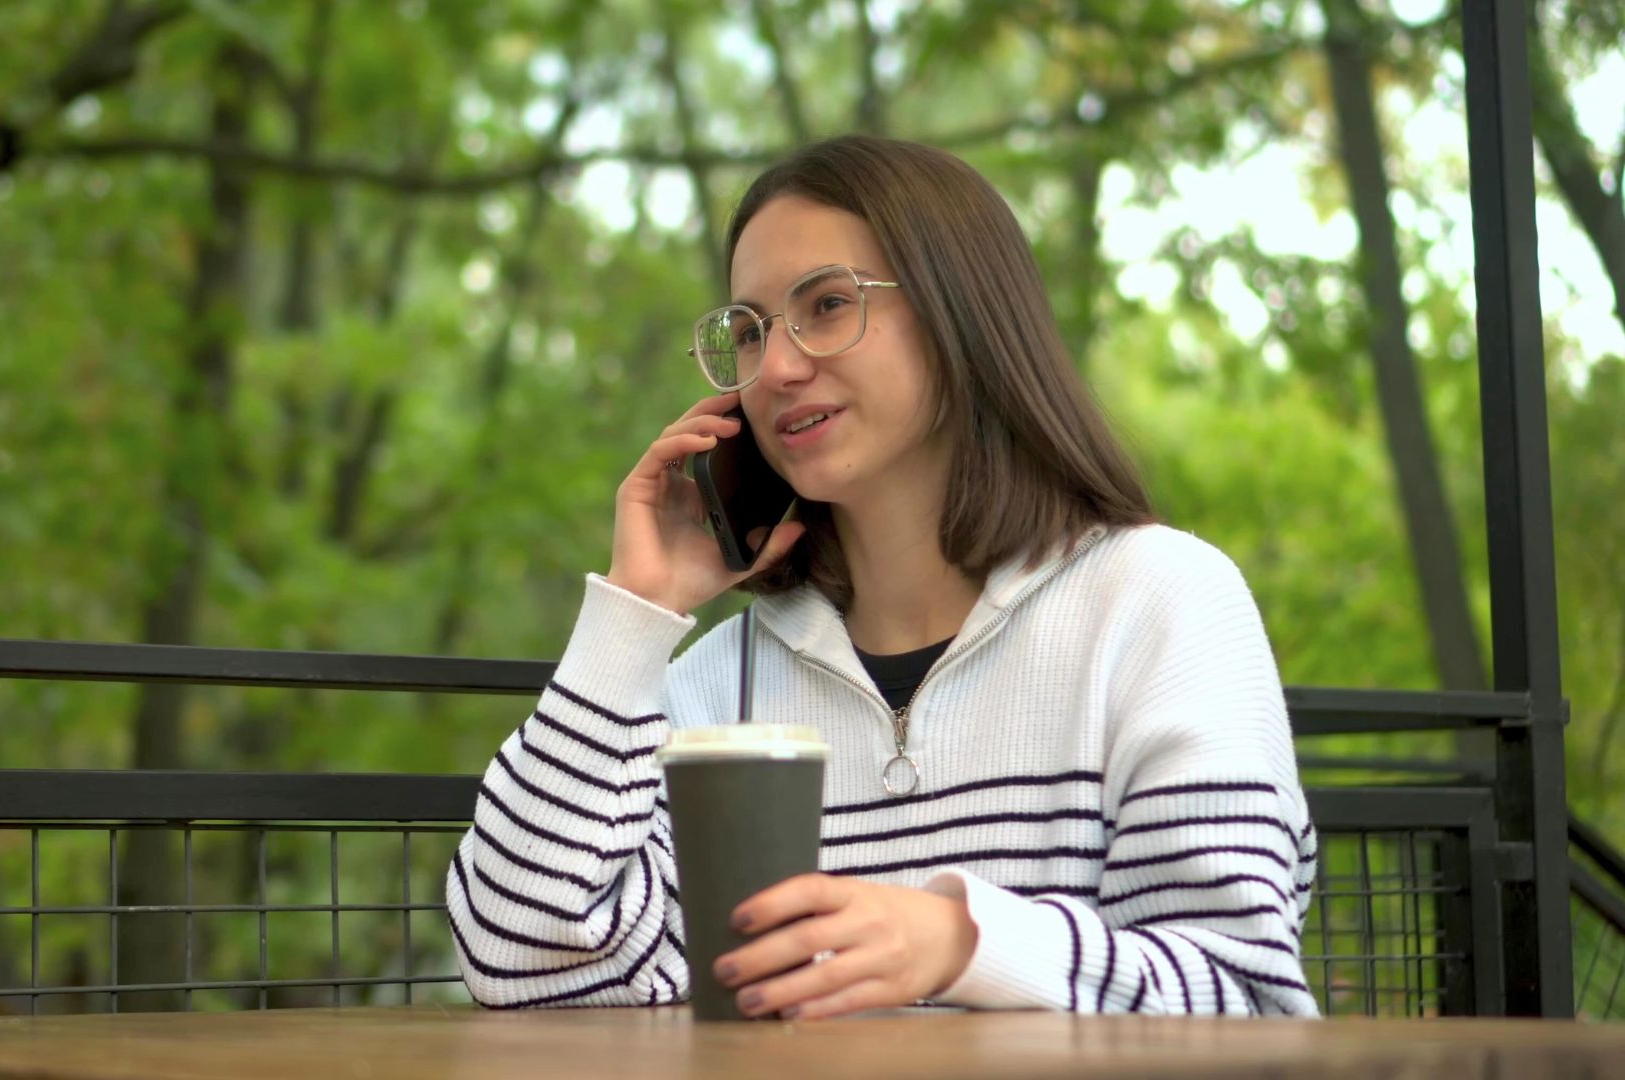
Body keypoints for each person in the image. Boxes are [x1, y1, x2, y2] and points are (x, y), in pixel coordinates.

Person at [445, 134, 1319, 1019]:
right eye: (748, 332)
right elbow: (519, 959)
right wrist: (636, 613)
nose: (777, 368)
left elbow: (1243, 997)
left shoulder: (1161, 603)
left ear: (961, 314)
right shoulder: (721, 684)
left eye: (827, 304)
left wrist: (961, 945)